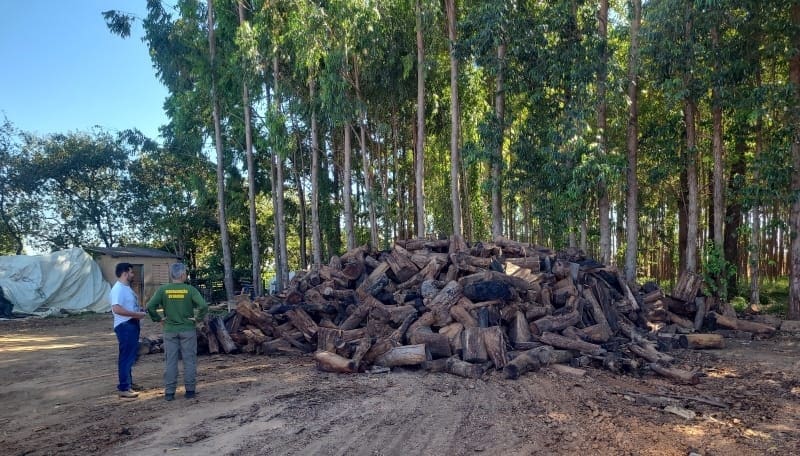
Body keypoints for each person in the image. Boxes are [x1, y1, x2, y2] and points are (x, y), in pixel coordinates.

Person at [146, 262, 208, 401]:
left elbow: (150, 306)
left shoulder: (163, 290)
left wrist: (158, 319)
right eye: (185, 273)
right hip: (187, 329)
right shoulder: (189, 290)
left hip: (170, 331)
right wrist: (197, 318)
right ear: (182, 275)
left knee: (171, 362)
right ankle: (190, 391)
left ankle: (169, 393)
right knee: (189, 360)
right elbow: (203, 305)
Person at [110, 262, 146, 399]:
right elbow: (116, 308)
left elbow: (127, 306)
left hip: (130, 324)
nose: (133, 275)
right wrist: (136, 315)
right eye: (131, 272)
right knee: (126, 356)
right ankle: (124, 387)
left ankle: (128, 383)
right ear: (125, 273)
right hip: (125, 326)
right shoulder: (118, 289)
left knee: (130, 355)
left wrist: (138, 312)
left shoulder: (126, 288)